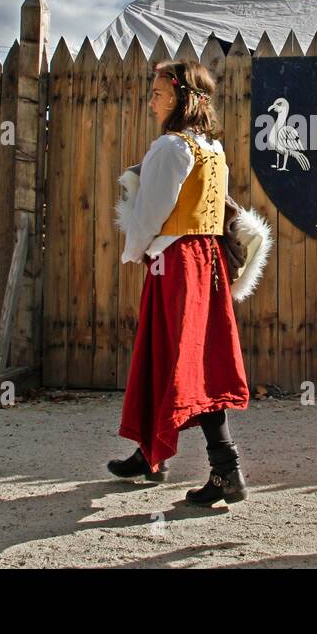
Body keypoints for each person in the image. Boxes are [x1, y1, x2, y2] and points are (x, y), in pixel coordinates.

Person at [109, 59, 251, 507]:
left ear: (182, 98)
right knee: (179, 355)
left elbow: (151, 210)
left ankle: (226, 470)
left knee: (186, 361)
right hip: (203, 260)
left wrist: (135, 250)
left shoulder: (170, 147)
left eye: (158, 93)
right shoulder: (212, 149)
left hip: (175, 262)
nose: (151, 101)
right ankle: (151, 454)